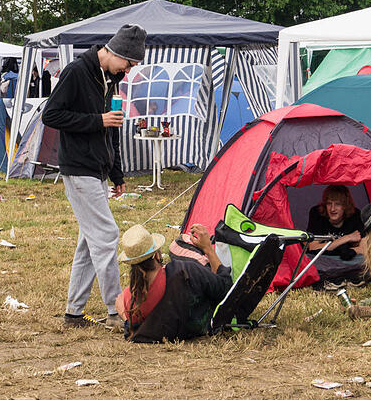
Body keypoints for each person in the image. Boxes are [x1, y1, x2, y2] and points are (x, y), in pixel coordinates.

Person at [43, 23, 146, 329]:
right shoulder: (76, 72)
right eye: (128, 63)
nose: (127, 70)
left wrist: (117, 173)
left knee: (90, 242)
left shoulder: (111, 79)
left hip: (99, 169)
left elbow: (110, 127)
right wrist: (96, 120)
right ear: (114, 52)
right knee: (107, 235)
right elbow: (51, 115)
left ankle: (74, 313)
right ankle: (116, 311)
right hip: (78, 167)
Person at [116, 224, 232, 342]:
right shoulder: (186, 271)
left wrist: (124, 316)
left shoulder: (129, 298)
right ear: (156, 255)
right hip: (199, 324)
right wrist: (208, 248)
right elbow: (225, 287)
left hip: (177, 332)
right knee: (179, 245)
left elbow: (131, 329)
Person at [305, 185, 365, 287]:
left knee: (366, 260)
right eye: (329, 204)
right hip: (323, 260)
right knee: (306, 260)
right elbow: (313, 247)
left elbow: (366, 248)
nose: (332, 209)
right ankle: (346, 276)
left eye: (337, 204)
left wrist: (353, 251)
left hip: (346, 260)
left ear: (345, 206)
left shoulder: (355, 215)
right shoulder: (317, 214)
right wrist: (346, 238)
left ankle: (339, 277)